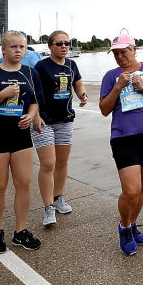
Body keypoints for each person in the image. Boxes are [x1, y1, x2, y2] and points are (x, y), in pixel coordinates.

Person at [99, 33, 143, 256]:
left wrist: (142, 88)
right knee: (131, 190)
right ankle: (125, 227)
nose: (120, 57)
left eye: (123, 52)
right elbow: (104, 109)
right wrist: (118, 86)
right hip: (124, 137)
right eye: (116, 53)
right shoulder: (111, 76)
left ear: (134, 49)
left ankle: (133, 223)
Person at [0, 30, 43, 254]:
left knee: (24, 183)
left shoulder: (30, 73)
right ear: (3, 49)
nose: (18, 51)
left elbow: (34, 103)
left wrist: (31, 116)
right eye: (13, 47)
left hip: (20, 137)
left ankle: (20, 231)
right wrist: (2, 94)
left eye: (22, 47)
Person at [33, 30, 87, 227]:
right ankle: (48, 207)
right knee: (48, 164)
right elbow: (33, 93)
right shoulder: (41, 67)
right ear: (50, 46)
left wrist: (82, 95)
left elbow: (77, 83)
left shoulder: (72, 65)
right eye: (59, 43)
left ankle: (58, 198)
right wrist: (36, 116)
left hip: (65, 119)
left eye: (67, 43)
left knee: (62, 162)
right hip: (44, 120)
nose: (64, 46)